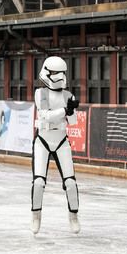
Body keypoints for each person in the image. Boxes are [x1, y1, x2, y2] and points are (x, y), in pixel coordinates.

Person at [31, 56, 81, 235]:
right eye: (54, 73)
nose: (58, 76)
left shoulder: (68, 95)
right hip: (43, 139)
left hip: (61, 139)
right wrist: (64, 111)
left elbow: (73, 121)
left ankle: (73, 215)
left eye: (61, 73)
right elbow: (45, 115)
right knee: (38, 182)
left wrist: (72, 110)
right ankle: (36, 215)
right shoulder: (41, 93)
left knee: (70, 182)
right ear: (46, 72)